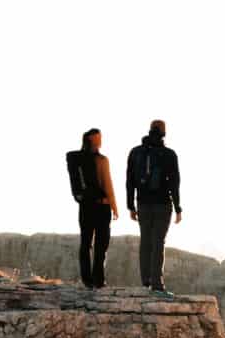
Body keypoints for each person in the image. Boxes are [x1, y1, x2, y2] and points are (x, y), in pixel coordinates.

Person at [125, 119, 183, 291]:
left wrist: (130, 206)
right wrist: (178, 207)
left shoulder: (135, 152)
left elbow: (130, 181)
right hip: (163, 204)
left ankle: (146, 281)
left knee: (146, 241)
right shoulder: (169, 154)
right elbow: (174, 184)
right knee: (159, 242)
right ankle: (157, 284)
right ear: (164, 132)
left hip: (142, 203)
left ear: (150, 130)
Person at [64, 127, 118, 287]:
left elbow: (107, 183)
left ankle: (91, 280)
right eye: (98, 137)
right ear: (91, 140)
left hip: (89, 206)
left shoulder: (80, 159)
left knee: (90, 243)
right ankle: (96, 281)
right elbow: (108, 184)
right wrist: (114, 205)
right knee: (98, 244)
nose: (100, 140)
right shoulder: (101, 160)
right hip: (100, 206)